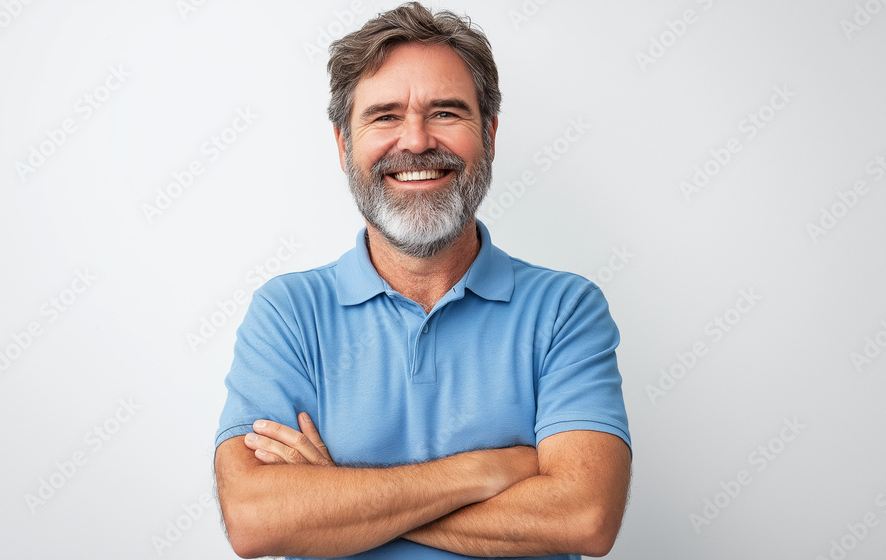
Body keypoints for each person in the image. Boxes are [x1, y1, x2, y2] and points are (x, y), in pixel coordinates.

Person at [214, 3, 631, 559]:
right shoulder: (288, 313)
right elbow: (255, 519)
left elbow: (584, 516)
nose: (415, 141)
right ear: (343, 145)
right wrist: (487, 470)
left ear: (488, 133)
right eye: (384, 115)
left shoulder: (565, 309)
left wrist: (337, 495)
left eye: (446, 112)